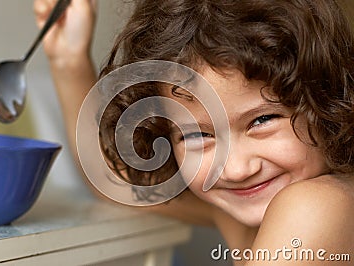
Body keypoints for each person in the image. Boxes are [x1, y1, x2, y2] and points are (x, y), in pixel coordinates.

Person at [34, 0, 354, 265]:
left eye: (263, 120)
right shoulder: (241, 207)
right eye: (197, 136)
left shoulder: (317, 205)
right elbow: (115, 182)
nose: (235, 169)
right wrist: (68, 61)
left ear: (324, 98)